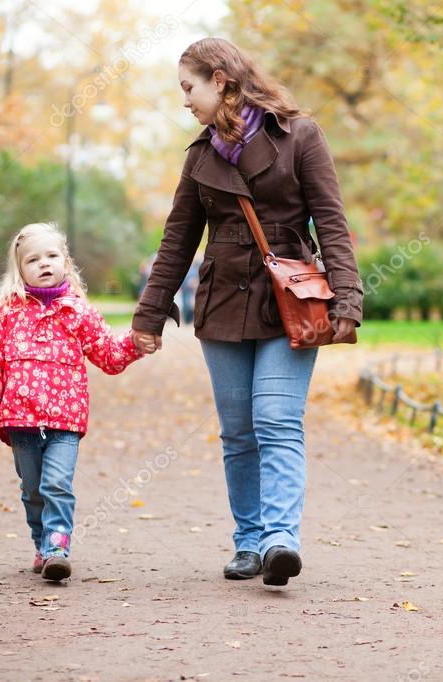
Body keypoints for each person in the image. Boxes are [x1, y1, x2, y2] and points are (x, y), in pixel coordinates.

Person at [131, 37, 363, 587]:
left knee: (277, 422)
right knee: (239, 433)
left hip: (292, 302)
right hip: (222, 304)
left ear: (221, 79)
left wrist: (348, 299)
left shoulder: (300, 135)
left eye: (189, 87)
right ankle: (249, 541)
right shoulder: (199, 156)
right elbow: (177, 242)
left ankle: (281, 539)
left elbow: (331, 222)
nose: (184, 100)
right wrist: (149, 316)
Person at [0, 222, 150, 582]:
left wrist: (135, 342)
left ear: (66, 262)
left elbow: (108, 354)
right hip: (18, 418)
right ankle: (41, 543)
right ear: (19, 269)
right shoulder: (5, 313)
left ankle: (57, 548)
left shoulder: (78, 312)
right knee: (33, 488)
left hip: (65, 418)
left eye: (52, 256)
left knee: (57, 484)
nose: (44, 264)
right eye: (33, 259)